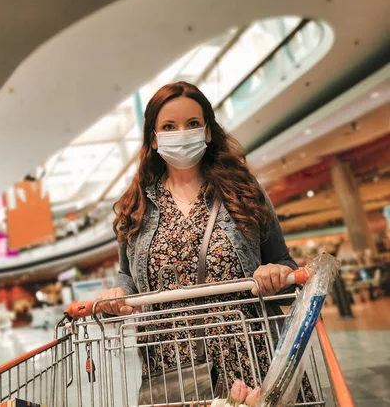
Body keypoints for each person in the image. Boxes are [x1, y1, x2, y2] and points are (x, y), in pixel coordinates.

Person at [96, 82, 313, 402]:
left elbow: (284, 263)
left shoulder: (244, 194)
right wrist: (118, 294)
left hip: (251, 363)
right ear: (154, 138)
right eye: (169, 126)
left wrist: (274, 274)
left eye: (193, 124)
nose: (181, 133)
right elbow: (127, 276)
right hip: (172, 373)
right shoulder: (136, 206)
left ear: (208, 132)